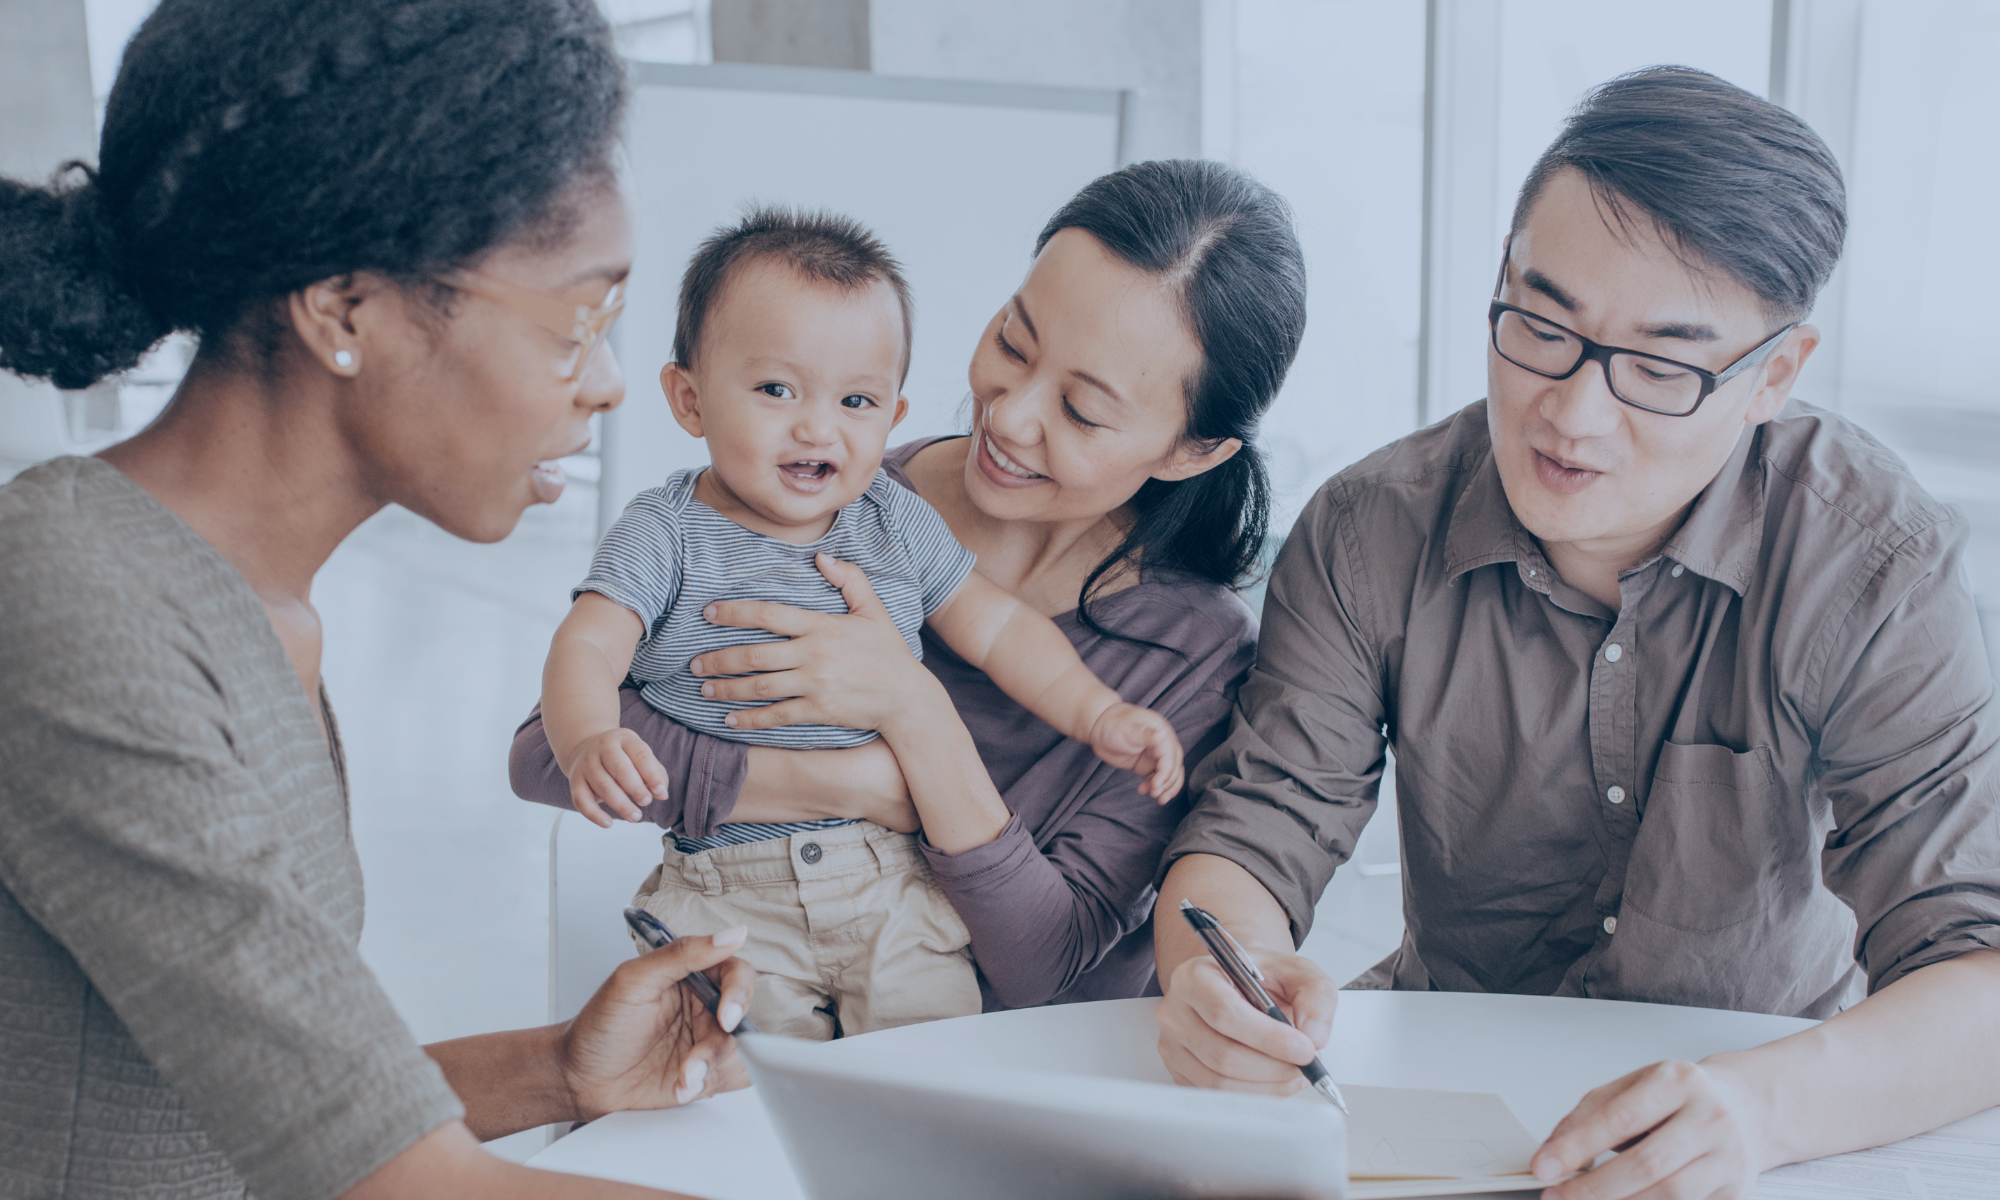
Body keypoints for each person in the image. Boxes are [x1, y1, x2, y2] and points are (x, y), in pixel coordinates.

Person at [1153, 66, 2000, 1199]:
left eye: (1657, 367)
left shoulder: (1873, 562)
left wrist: (1761, 1110)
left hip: (1756, 1104)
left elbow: (1976, 966)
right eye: (1539, 324)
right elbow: (1259, 830)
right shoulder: (1368, 529)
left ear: (1772, 377)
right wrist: (1230, 977)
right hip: (1430, 1092)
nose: (1569, 412)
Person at [0, 2, 755, 1196]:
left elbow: (277, 1108)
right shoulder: (76, 605)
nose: (607, 386)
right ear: (346, 310)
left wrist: (561, 1068)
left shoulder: (257, 603)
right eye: (578, 322)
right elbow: (400, 1184)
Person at [514, 159, 1307, 1014]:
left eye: (1080, 410)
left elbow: (1048, 969)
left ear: (1194, 451)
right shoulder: (822, 500)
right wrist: (866, 787)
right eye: (1013, 340)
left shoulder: (1190, 648)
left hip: (1004, 1076)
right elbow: (544, 756)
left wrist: (916, 713)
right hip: (752, 931)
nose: (1005, 415)